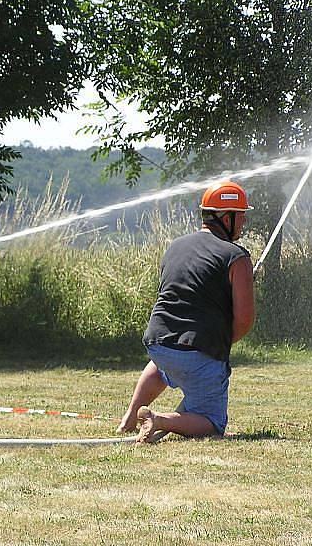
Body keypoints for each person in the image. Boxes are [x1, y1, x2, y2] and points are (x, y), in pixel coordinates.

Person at [116, 181, 256, 443]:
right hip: (197, 351)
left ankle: (130, 417)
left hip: (158, 343)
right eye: (241, 215)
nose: (244, 220)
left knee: (162, 367)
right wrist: (219, 342)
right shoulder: (237, 256)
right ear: (227, 218)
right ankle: (157, 420)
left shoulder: (175, 246)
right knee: (212, 422)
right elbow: (245, 318)